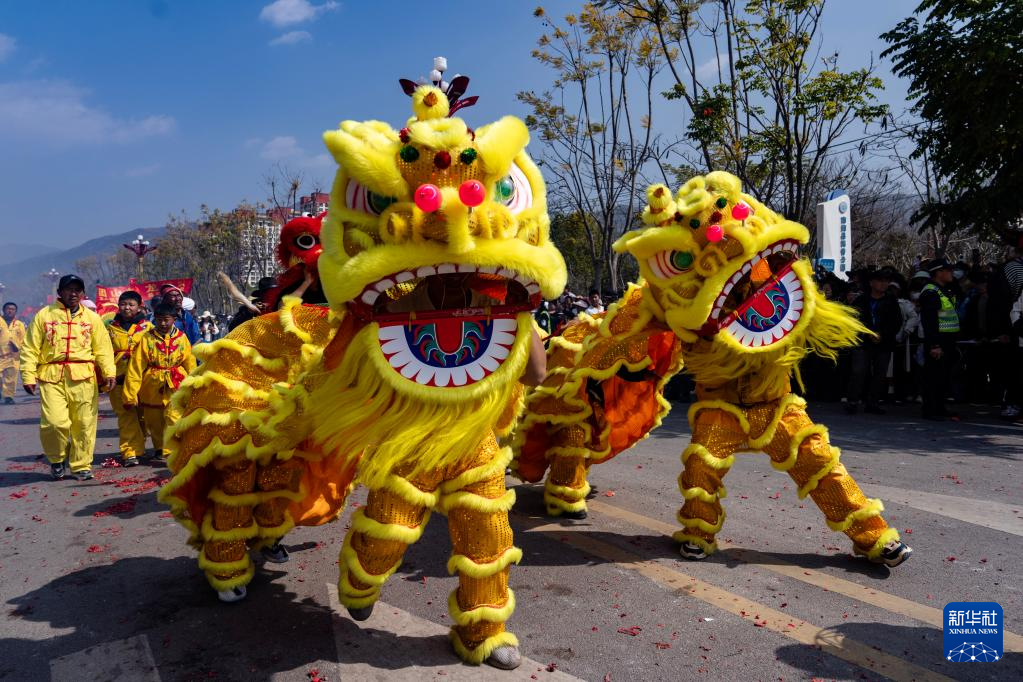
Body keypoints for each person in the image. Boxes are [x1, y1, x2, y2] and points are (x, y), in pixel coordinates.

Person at [19, 274, 116, 481]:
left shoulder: (92, 318)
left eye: (77, 290)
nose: (73, 294)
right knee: (54, 422)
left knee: (84, 423)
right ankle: (57, 459)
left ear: (82, 294)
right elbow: (30, 348)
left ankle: (81, 465)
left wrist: (109, 372)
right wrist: (28, 375)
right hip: (51, 376)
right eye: (69, 289)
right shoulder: (44, 315)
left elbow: (103, 348)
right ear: (59, 292)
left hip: (84, 377)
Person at [122, 302, 197, 463]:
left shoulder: (182, 338)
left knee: (174, 417)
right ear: (154, 319)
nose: (163, 323)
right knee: (154, 421)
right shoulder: (146, 338)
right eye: (159, 320)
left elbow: (190, 363)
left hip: (177, 383)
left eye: (166, 320)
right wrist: (130, 394)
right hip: (151, 385)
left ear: (174, 319)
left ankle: (172, 451)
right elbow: (136, 366)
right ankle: (159, 448)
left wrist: (196, 385)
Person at [845, 270, 903, 414]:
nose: (884, 284)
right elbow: (854, 319)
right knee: (858, 371)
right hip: (863, 342)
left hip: (884, 343)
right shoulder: (861, 300)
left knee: (880, 373)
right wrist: (868, 332)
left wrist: (882, 334)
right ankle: (852, 401)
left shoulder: (891, 300)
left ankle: (873, 403)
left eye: (886, 281)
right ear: (871, 283)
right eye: (880, 281)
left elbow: (896, 322)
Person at [105, 291, 151, 466]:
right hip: (118, 378)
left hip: (143, 378)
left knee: (143, 416)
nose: (127, 308)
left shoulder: (148, 328)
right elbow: (103, 352)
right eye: (123, 304)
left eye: (131, 304)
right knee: (126, 415)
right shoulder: (110, 328)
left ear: (139, 307)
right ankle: (130, 452)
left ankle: (140, 446)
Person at [918, 258, 960, 420]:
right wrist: (934, 345)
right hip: (937, 341)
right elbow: (929, 321)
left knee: (943, 376)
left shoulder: (943, 290)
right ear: (938, 272)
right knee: (933, 376)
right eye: (948, 270)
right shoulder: (931, 292)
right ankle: (931, 409)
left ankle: (939, 408)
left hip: (947, 340)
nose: (952, 273)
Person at [1, 302, 27, 405]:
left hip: (13, 356)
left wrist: (18, 348)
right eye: (8, 308)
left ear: (16, 311)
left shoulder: (19, 324)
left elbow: (23, 339)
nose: (10, 311)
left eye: (12, 309)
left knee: (11, 378)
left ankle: (8, 397)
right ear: (4, 310)